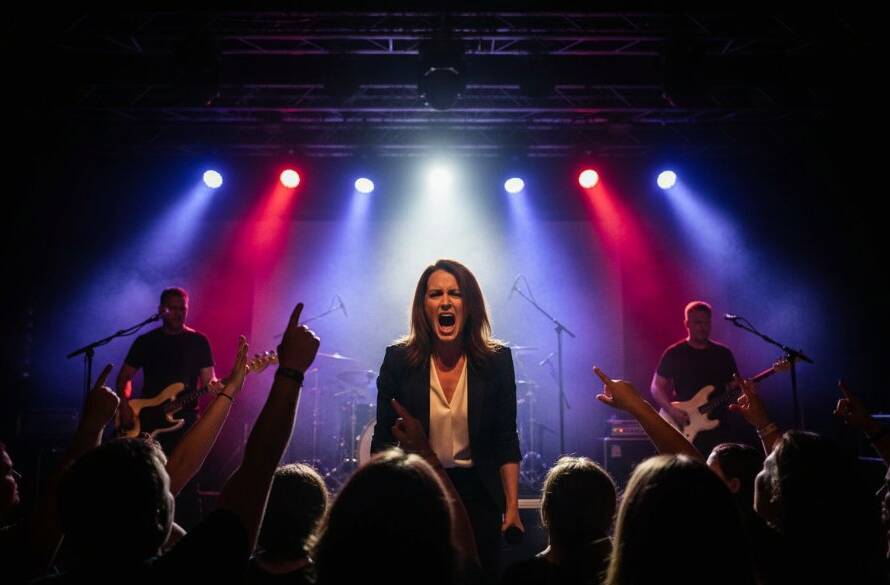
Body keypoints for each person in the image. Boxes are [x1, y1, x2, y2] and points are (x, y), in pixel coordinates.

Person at [371, 259, 522, 582]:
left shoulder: (496, 362)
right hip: (418, 490)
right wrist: (379, 502)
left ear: (470, 305)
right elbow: (381, 443)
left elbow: (506, 438)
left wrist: (511, 506)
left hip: (478, 494)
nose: (445, 301)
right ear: (423, 306)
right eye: (435, 294)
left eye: (455, 293)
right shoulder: (398, 360)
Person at [651, 300, 749, 454]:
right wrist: (672, 411)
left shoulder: (723, 354)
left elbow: (736, 390)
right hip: (685, 424)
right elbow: (656, 387)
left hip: (720, 429)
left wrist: (747, 391)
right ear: (687, 324)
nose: (703, 327)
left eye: (706, 322)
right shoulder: (675, 353)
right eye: (698, 322)